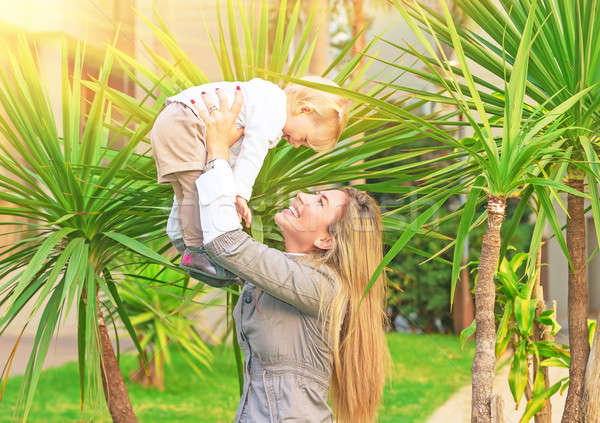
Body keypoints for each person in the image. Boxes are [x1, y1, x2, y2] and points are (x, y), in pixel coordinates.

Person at [181, 89, 390, 422]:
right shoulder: (288, 274)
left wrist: (219, 153)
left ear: (326, 240)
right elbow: (208, 261)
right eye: (316, 194)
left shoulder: (321, 286)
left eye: (320, 203)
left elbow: (226, 245)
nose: (302, 196)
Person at [151, 76, 349, 281]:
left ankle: (183, 241)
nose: (297, 145)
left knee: (187, 193)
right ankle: (194, 251)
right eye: (305, 139)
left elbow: (232, 152)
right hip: (187, 123)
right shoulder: (273, 112)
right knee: (194, 191)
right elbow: (251, 155)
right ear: (304, 109)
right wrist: (239, 194)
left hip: (175, 120)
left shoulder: (263, 97)